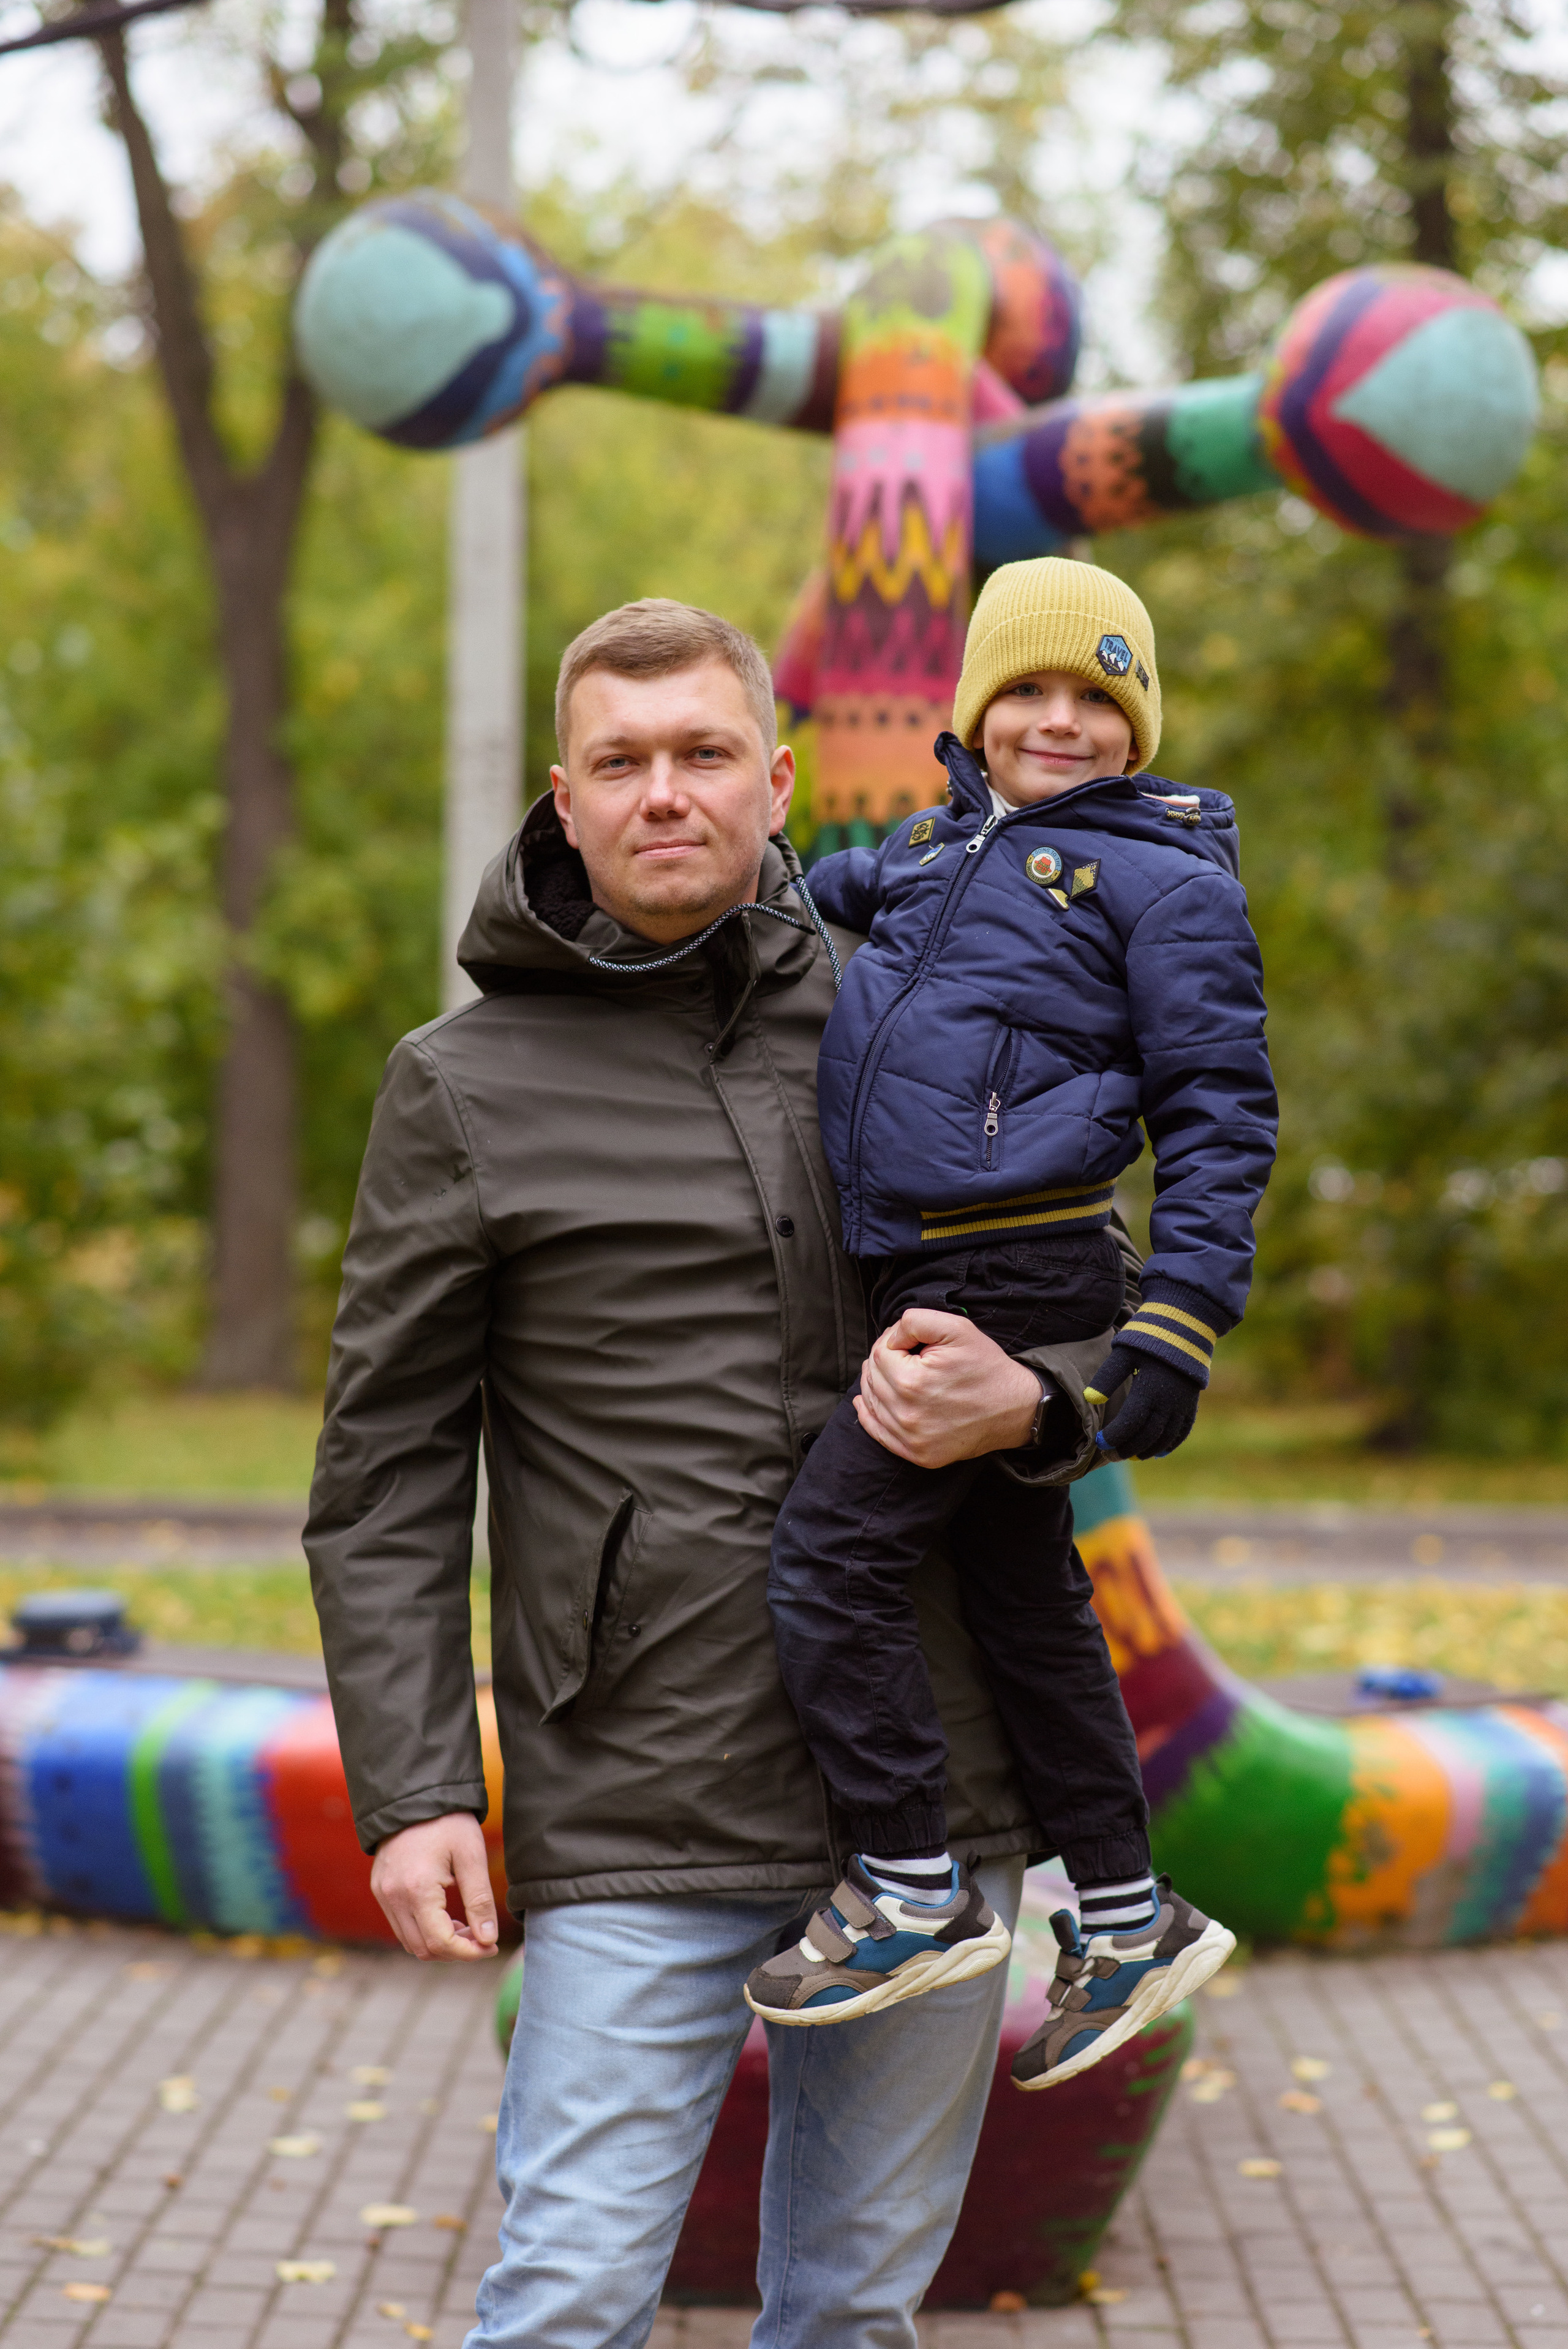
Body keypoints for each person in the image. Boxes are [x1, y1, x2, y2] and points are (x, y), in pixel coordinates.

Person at [304, 597, 1138, 2349]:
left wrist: (1034, 1398)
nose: (663, 792)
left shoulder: (926, 1007)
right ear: (564, 796)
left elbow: (1101, 1299)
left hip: (937, 1783)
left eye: (702, 752)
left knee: (855, 2309)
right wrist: (416, 1788)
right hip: (640, 1788)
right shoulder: (458, 1087)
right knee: (567, 2296)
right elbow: (384, 1473)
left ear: (777, 781)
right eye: (620, 761)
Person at [747, 558, 1277, 2090]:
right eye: (1025, 690)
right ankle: (1122, 1912)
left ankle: (907, 1887)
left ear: (1137, 726)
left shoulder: (1162, 883)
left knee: (830, 1559)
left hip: (1016, 1271)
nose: (1058, 721)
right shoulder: (929, 850)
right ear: (973, 710)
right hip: (926, 1268)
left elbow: (1220, 1111)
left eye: (1095, 698)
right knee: (1027, 1608)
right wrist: (740, 862)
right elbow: (811, 889)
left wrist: (1175, 1321)